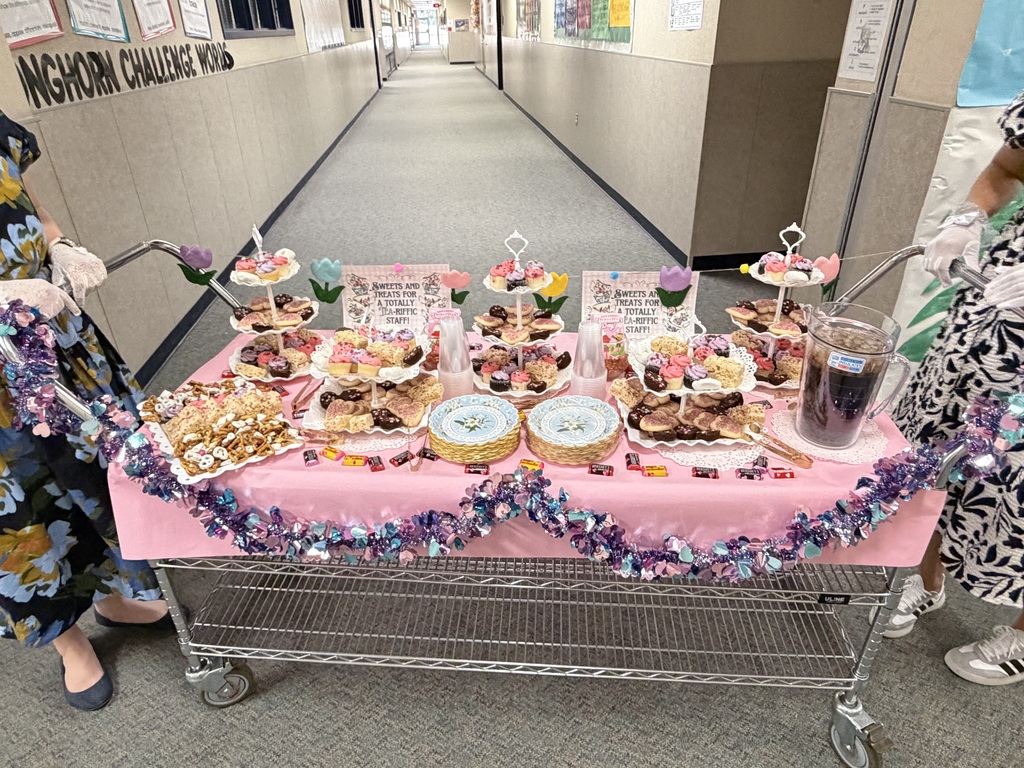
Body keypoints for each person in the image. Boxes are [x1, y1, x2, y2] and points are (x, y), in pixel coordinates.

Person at [0, 111, 170, 710]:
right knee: (25, 507)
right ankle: (69, 642)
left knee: (105, 469)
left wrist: (62, 247)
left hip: (55, 334)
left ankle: (117, 594)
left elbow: (34, 212)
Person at [888, 91, 1024, 686]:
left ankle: (1019, 638)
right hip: (997, 312)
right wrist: (967, 218)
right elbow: (1006, 169)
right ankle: (927, 577)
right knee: (937, 443)